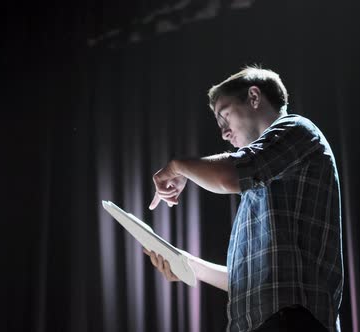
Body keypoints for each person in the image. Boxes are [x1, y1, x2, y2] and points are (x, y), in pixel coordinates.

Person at [143, 65, 343, 332]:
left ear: (254, 97)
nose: (224, 133)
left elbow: (229, 174)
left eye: (225, 116)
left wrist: (179, 166)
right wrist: (183, 262)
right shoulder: (261, 186)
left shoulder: (298, 130)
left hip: (294, 322)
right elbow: (246, 279)